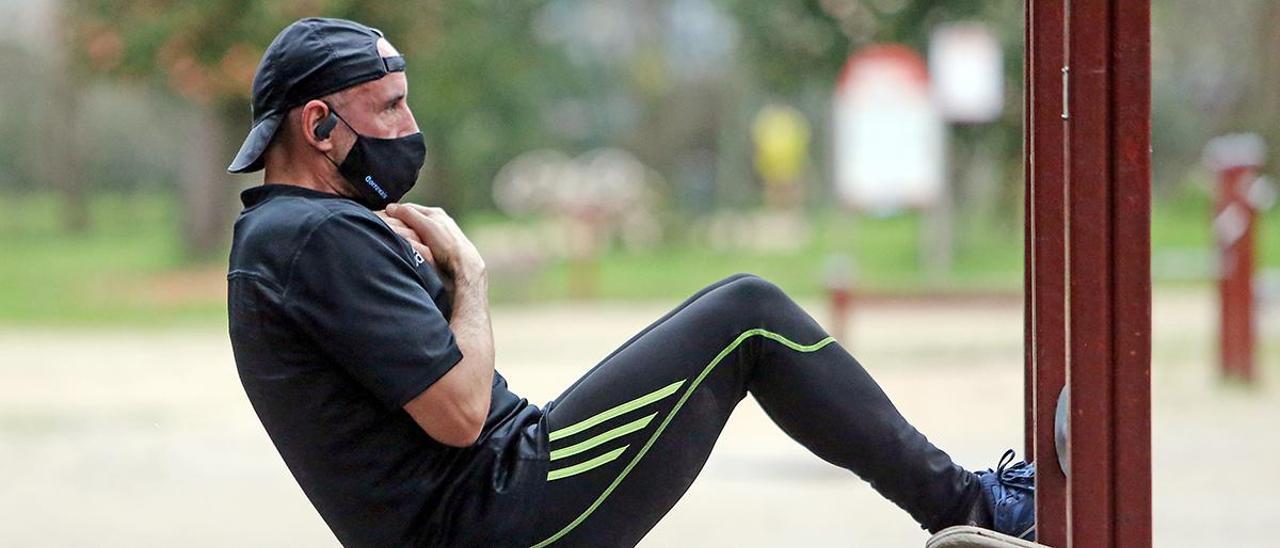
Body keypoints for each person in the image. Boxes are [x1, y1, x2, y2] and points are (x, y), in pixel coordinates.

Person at [225, 17, 1036, 548]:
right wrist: (470, 279)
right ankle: (974, 510)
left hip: (495, 492)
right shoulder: (309, 237)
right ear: (318, 124)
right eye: (390, 107)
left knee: (735, 310)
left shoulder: (296, 235)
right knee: (747, 317)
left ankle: (971, 500)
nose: (409, 129)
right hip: (494, 513)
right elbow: (461, 417)